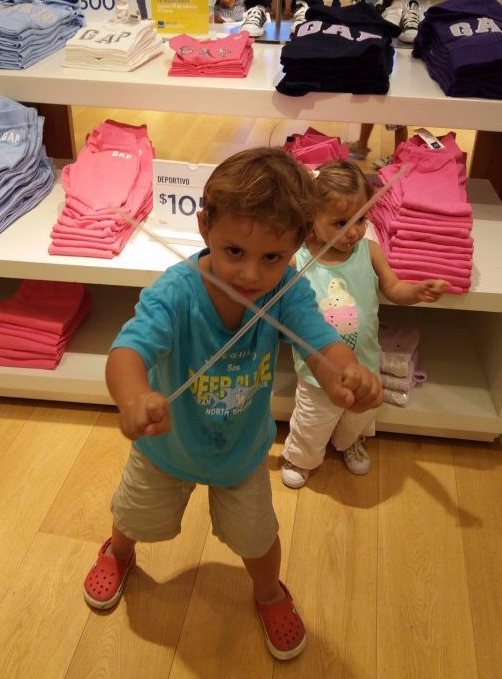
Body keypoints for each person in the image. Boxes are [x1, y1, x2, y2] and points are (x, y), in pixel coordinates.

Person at [83, 147, 383, 661]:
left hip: (240, 453)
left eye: (272, 257)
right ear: (204, 226)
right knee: (133, 516)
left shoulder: (287, 291)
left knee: (258, 538)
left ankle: (268, 593)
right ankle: (119, 552)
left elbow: (319, 341)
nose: (250, 274)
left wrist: (343, 374)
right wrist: (133, 396)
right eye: (234, 251)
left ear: (298, 243)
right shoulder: (176, 292)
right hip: (166, 448)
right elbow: (127, 350)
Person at [281, 158, 447, 489]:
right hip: (318, 372)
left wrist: (416, 291)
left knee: (359, 414)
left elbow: (394, 288)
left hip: (366, 363)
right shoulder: (299, 258)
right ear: (312, 216)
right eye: (341, 222)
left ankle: (350, 442)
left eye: (361, 219)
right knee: (313, 420)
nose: (354, 231)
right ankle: (301, 457)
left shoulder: (369, 251)